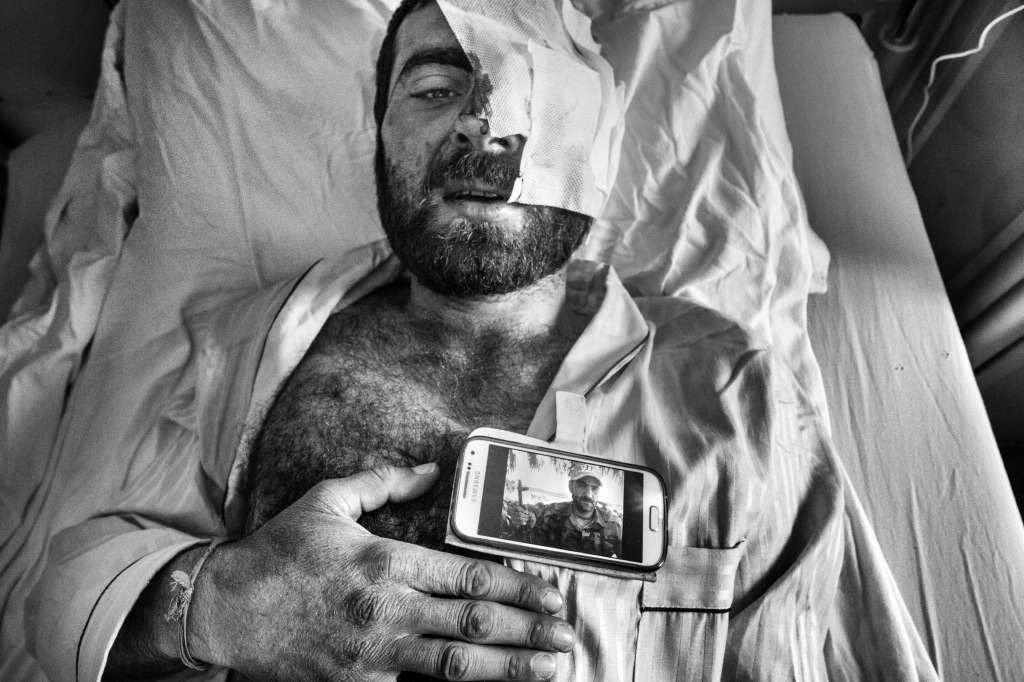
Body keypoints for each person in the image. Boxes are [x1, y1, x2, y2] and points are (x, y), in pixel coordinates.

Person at [25, 1, 940, 681]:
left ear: (601, 151)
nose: (484, 120)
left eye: (533, 89)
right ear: (382, 142)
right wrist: (217, 604)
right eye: (434, 88)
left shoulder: (736, 393)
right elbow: (64, 593)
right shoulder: (258, 337)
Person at [506, 465, 622, 558]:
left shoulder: (613, 525)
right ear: (570, 486)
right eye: (582, 485)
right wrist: (517, 525)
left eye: (594, 488)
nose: (589, 494)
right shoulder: (550, 515)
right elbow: (528, 551)